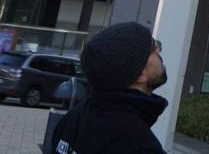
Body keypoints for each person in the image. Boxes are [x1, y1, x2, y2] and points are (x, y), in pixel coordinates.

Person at [50, 22, 168, 154]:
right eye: (152, 46)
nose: (159, 50)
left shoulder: (72, 120)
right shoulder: (140, 146)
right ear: (140, 74)